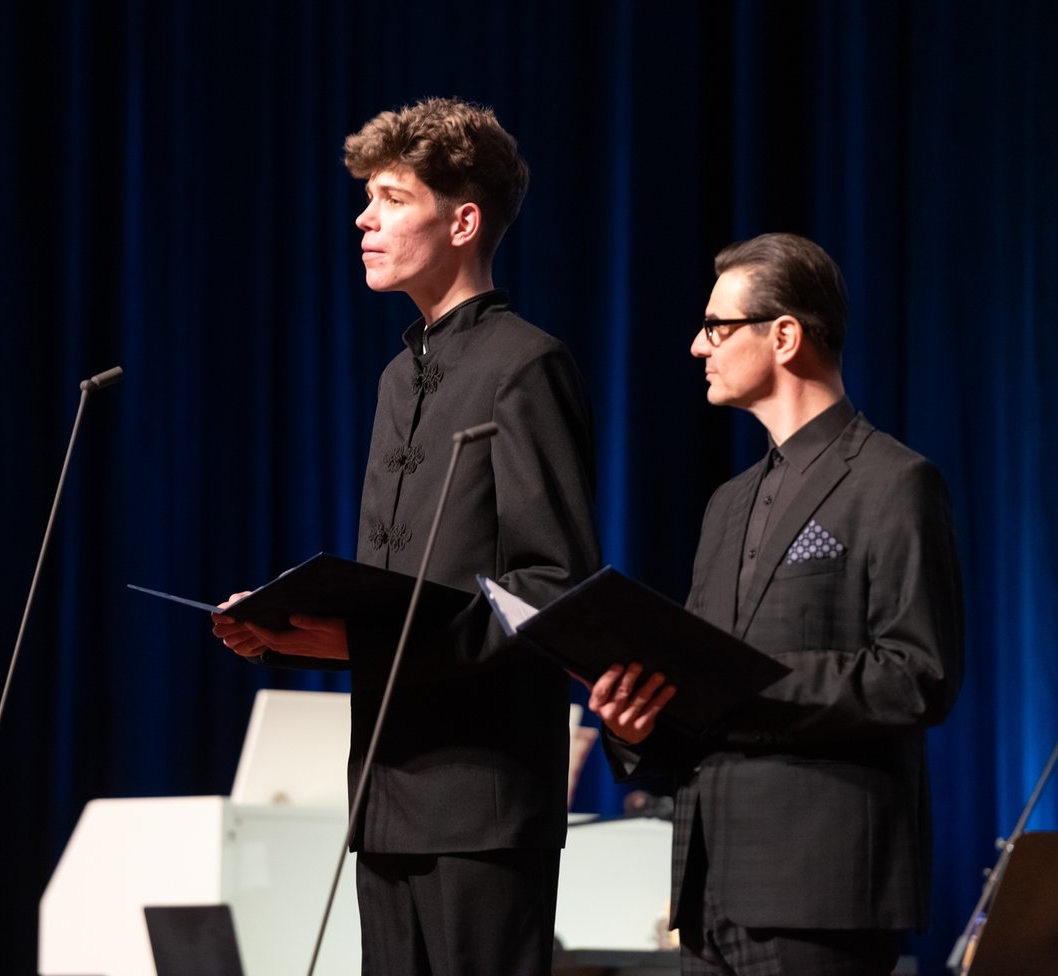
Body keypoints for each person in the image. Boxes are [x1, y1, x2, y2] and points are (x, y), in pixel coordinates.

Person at [213, 97, 600, 976]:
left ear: (462, 222)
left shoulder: (526, 364)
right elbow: (395, 591)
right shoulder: (399, 376)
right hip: (386, 791)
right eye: (369, 198)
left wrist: (369, 640)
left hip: (484, 799)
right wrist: (295, 625)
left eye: (392, 198)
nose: (365, 218)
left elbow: (549, 586)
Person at [589, 233, 963, 976]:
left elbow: (916, 676)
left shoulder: (893, 482)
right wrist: (637, 727)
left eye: (717, 326)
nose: (698, 345)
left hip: (821, 891)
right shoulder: (727, 504)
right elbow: (699, 690)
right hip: (707, 892)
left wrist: (740, 679)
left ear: (784, 336)